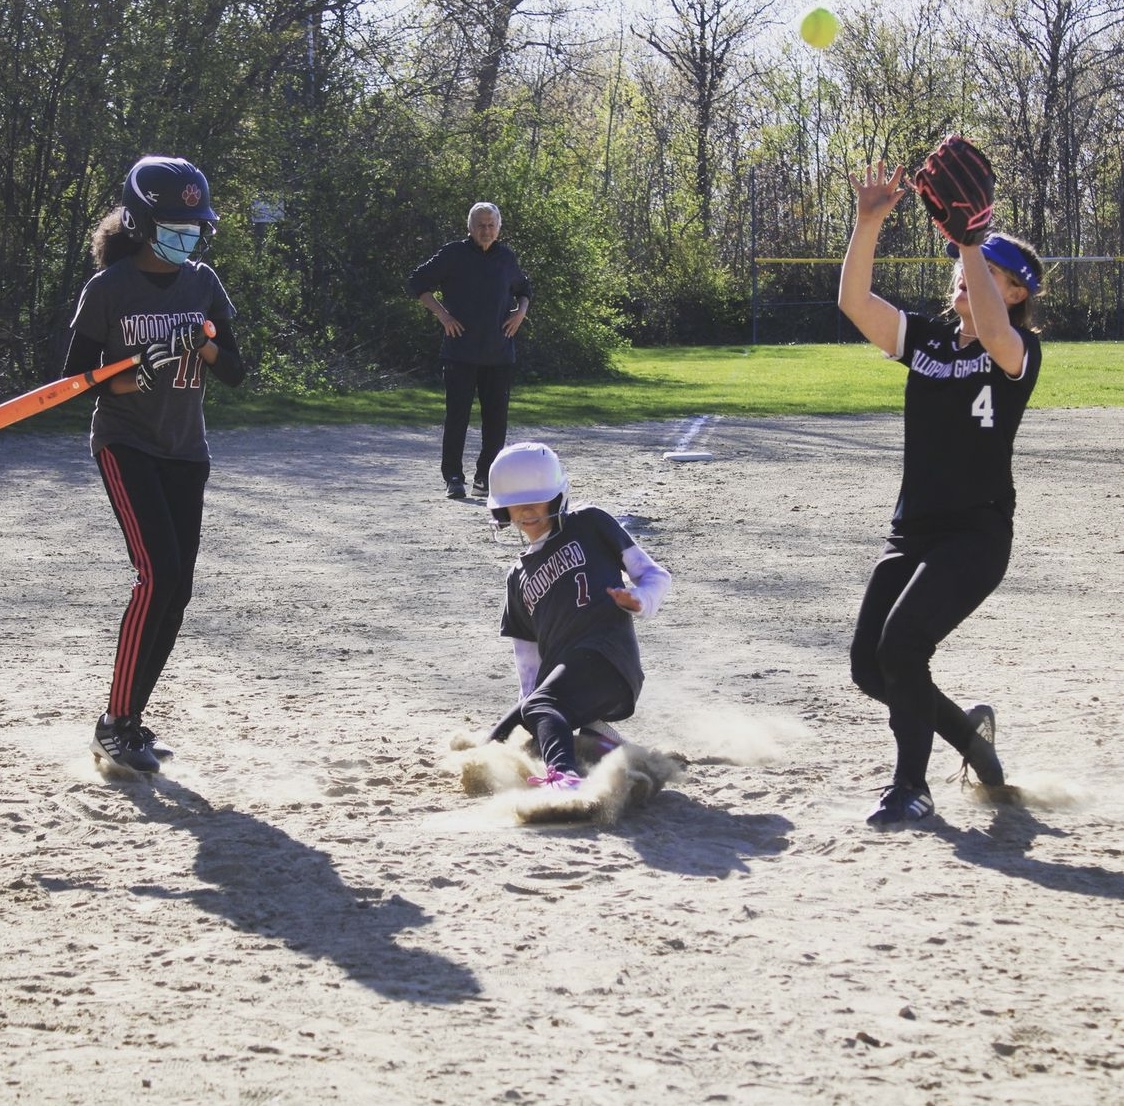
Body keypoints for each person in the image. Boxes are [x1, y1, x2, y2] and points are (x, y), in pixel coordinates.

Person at [838, 161, 1044, 827]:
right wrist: (868, 222)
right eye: (963, 267)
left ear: (1015, 294)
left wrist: (972, 241)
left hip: (976, 535)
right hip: (914, 529)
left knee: (903, 647)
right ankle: (973, 743)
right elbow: (855, 304)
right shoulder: (925, 339)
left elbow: (992, 331)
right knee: (872, 668)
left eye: (991, 274)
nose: (969, 276)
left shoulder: (1017, 350)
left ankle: (911, 790)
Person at [62, 155, 246, 773]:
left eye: (194, 225)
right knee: (157, 576)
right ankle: (112, 724)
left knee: (179, 590)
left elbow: (238, 373)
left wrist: (205, 342)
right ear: (141, 223)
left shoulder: (204, 283)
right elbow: (74, 382)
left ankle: (130, 721)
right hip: (127, 444)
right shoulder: (108, 289)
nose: (187, 234)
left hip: (186, 451)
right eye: (174, 224)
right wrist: (137, 371)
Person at [483, 442, 671, 788]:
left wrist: (640, 599)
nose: (525, 513)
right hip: (568, 683)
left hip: (608, 660)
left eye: (535, 502)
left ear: (557, 498)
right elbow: (529, 673)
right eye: (514, 506)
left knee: (540, 706)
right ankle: (602, 744)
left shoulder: (589, 523)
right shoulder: (517, 578)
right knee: (495, 742)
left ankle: (565, 779)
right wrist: (520, 721)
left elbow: (656, 577)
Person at [407, 202, 532, 500]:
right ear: (470, 227)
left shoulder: (506, 257)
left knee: (496, 420)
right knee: (457, 418)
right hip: (460, 352)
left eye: (491, 225)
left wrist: (520, 313)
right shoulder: (453, 254)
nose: (486, 230)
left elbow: (524, 289)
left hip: (499, 353)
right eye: (480, 225)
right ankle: (453, 477)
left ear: (499, 228)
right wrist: (443, 315)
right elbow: (417, 283)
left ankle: (485, 478)